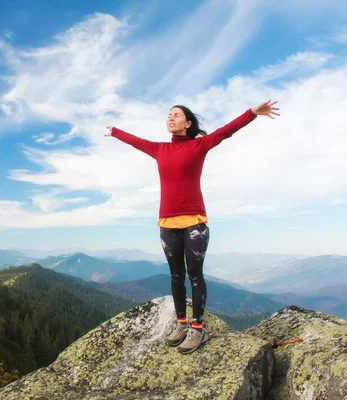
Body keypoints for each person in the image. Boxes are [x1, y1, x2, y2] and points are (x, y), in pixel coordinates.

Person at [105, 100, 279, 354]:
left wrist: (252, 113)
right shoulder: (159, 149)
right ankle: (180, 323)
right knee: (176, 275)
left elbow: (225, 131)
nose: (171, 118)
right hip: (167, 222)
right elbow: (136, 141)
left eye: (176, 115)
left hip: (195, 222)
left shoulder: (199, 144)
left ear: (188, 123)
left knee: (195, 275)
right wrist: (116, 131)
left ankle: (197, 328)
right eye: (168, 115)